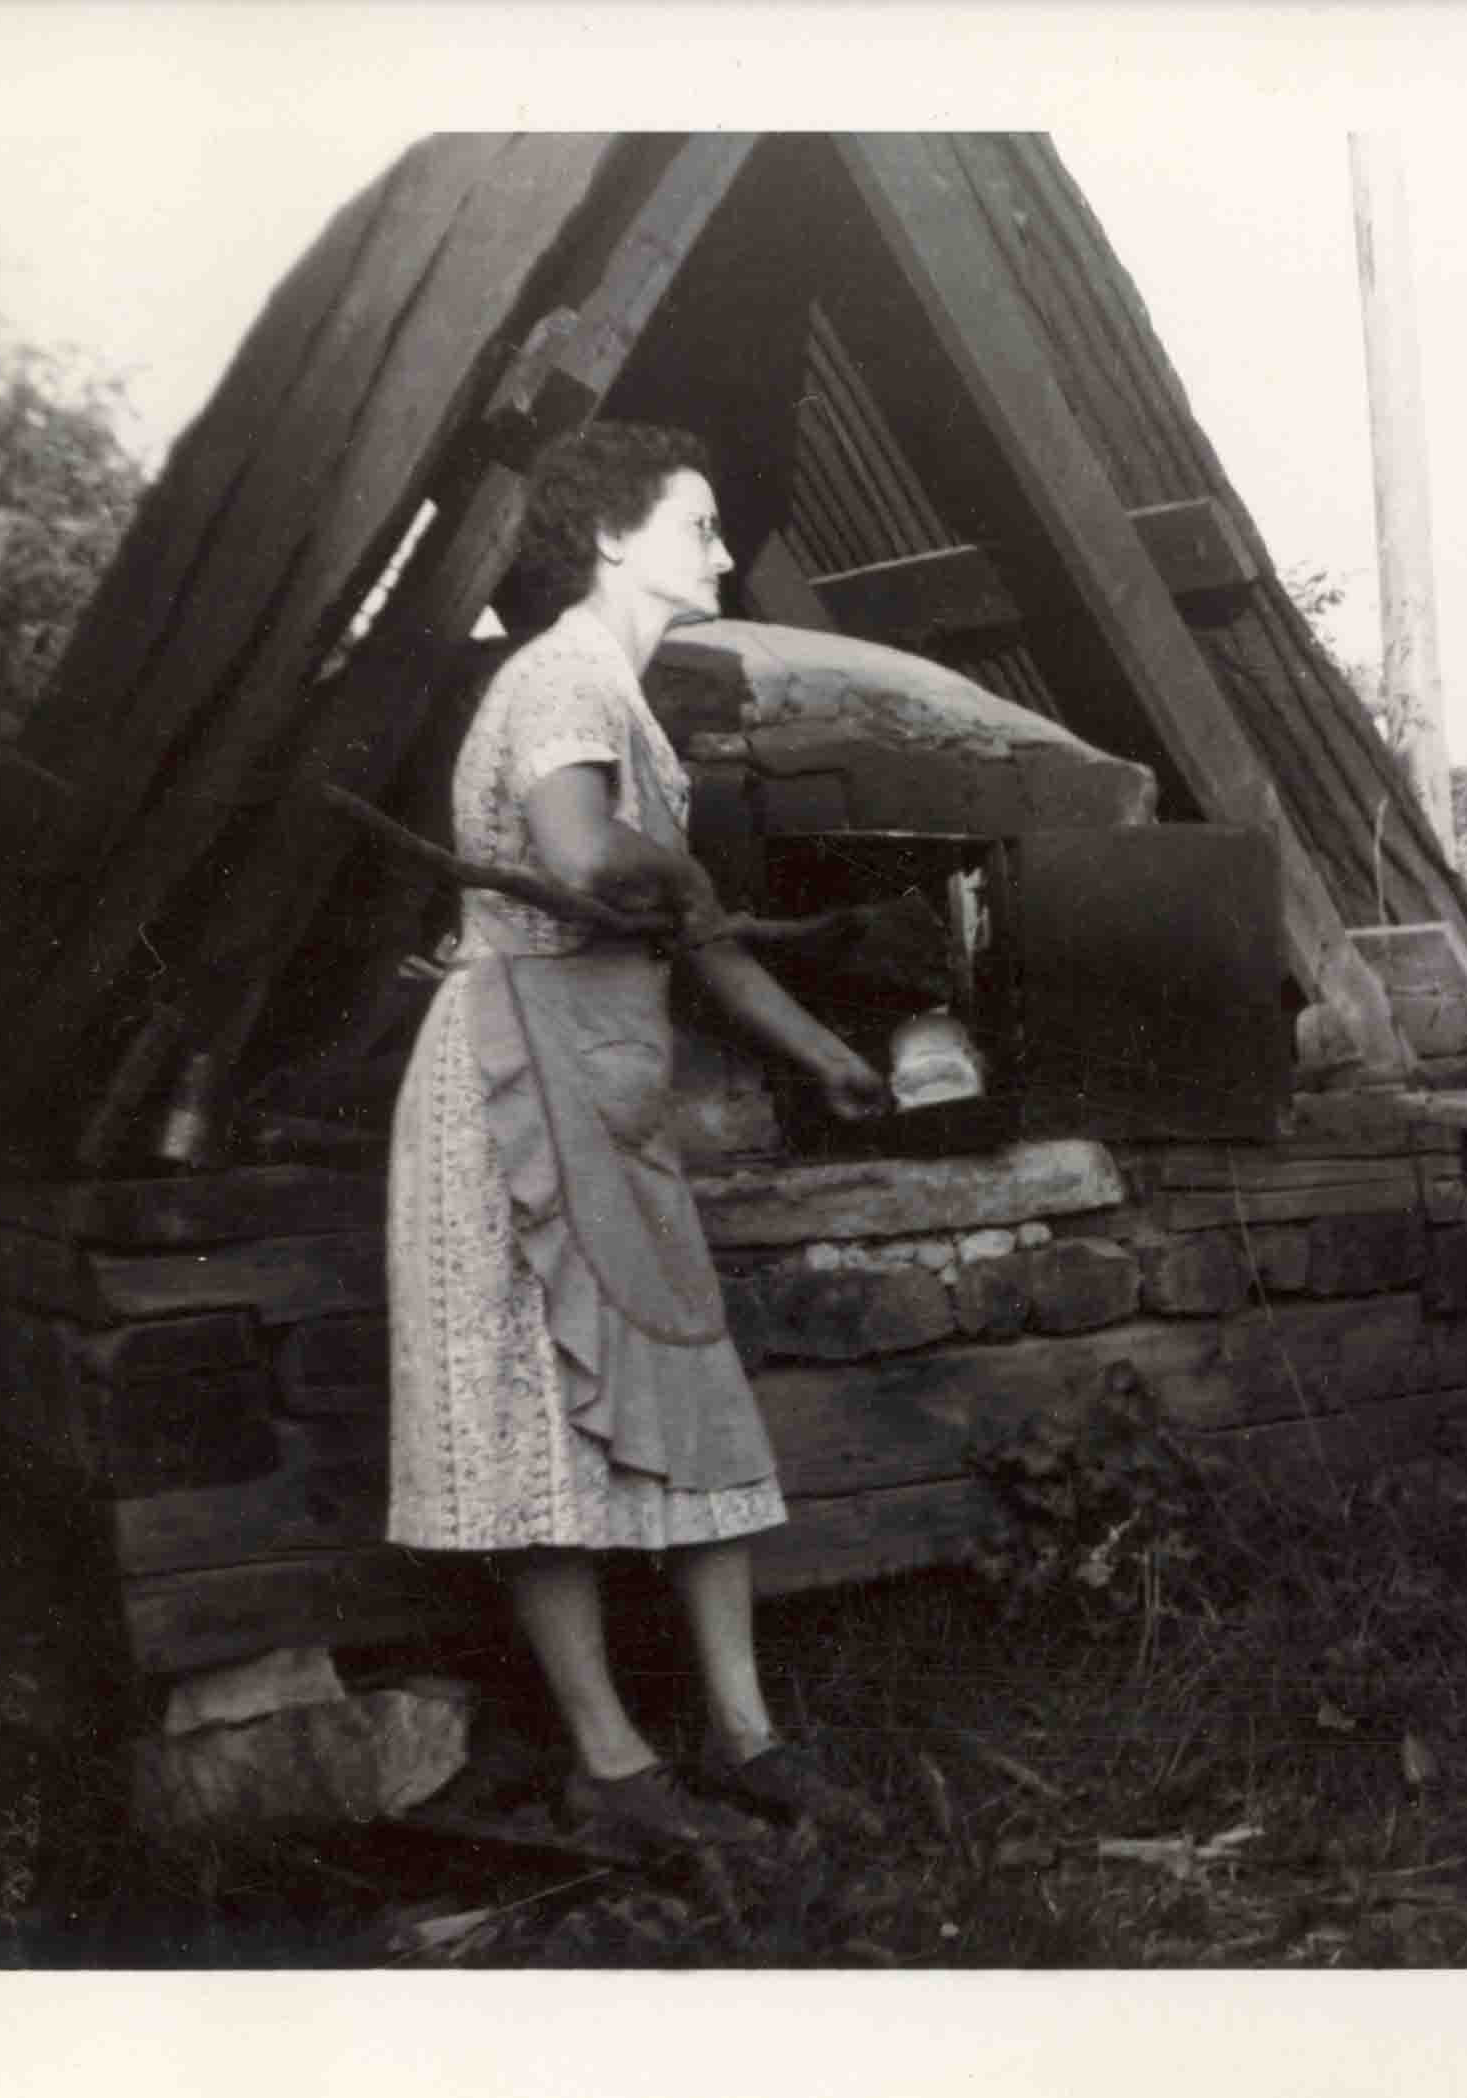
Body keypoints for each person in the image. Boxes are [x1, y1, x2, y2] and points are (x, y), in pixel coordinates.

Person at [385, 422, 890, 1851]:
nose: (725, 552)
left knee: (689, 1394)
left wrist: (829, 1055)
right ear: (612, 536)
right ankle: (611, 1762)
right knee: (540, 1418)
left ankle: (745, 1737)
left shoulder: (620, 696)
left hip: (603, 1078)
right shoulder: (557, 674)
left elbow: (692, 932)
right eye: (701, 522)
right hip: (516, 1081)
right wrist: (678, 867)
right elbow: (585, 861)